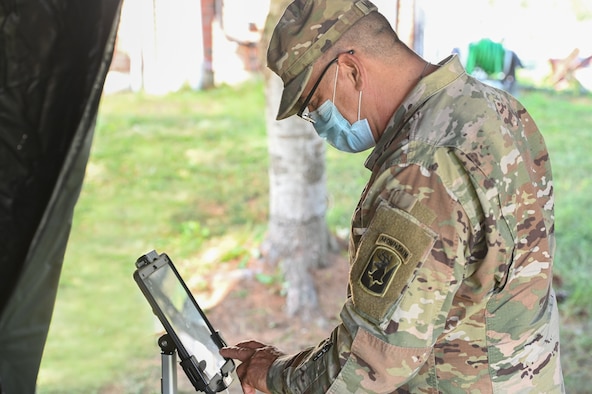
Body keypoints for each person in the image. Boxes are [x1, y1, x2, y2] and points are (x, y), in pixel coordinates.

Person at [220, 0, 565, 392]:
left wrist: (271, 373)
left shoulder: (421, 169)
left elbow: (370, 364)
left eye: (314, 106)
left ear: (349, 70)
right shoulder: (495, 107)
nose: (318, 123)